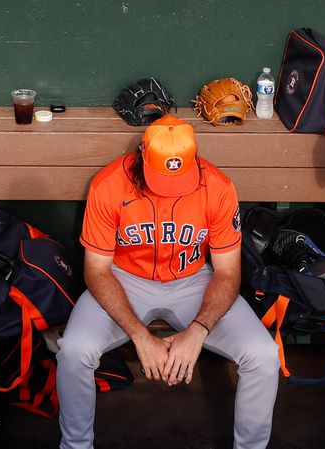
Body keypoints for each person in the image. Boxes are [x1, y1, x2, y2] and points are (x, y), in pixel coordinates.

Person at [56, 114, 280, 449]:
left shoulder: (217, 187)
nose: (171, 186)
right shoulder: (108, 184)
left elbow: (228, 272)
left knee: (263, 354)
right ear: (142, 154)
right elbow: (97, 271)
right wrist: (139, 336)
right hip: (123, 278)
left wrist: (198, 330)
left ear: (195, 160)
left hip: (194, 280)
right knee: (74, 350)